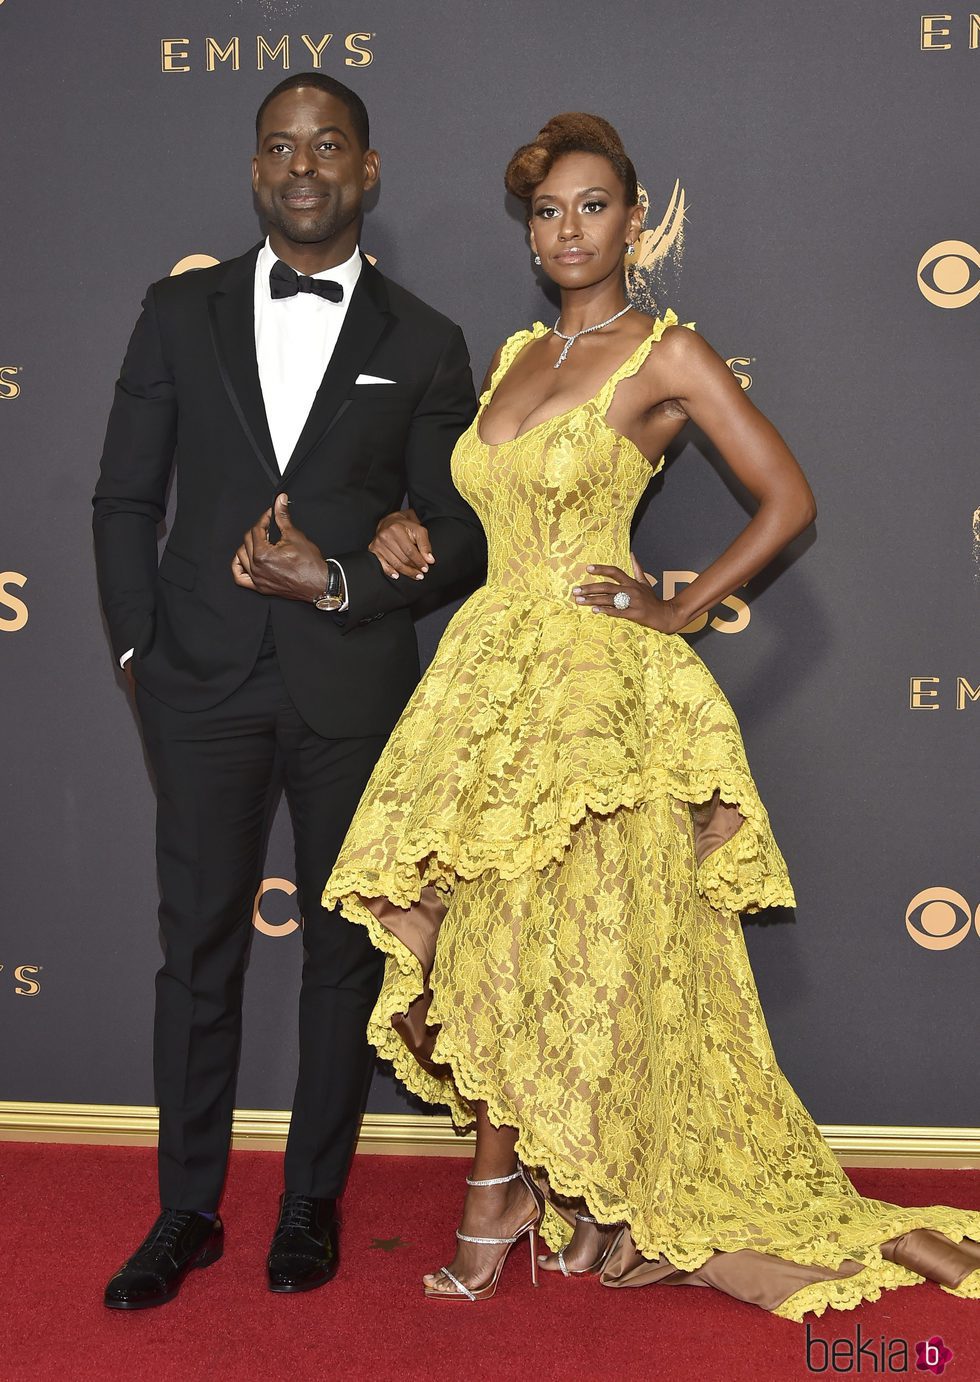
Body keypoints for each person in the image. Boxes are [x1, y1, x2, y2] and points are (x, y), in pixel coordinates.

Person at [322, 114, 980, 1316]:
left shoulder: (667, 354)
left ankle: (497, 1194)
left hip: (591, 694)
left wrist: (679, 610)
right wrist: (391, 528)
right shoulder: (514, 356)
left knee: (542, 940)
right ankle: (546, 1187)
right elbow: (483, 511)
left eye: (590, 205)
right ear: (529, 232)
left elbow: (785, 498)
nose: (566, 228)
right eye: (544, 210)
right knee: (482, 947)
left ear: (634, 221)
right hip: (482, 679)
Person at [92, 72, 484, 1309]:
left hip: (348, 687)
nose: (302, 164)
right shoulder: (175, 311)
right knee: (196, 953)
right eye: (279, 144)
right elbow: (121, 501)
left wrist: (344, 580)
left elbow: (460, 535)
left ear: (368, 169)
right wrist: (135, 659)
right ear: (255, 168)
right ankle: (186, 1209)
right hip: (196, 683)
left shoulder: (422, 339)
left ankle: (311, 1199)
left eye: (327, 145)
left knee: (337, 956)